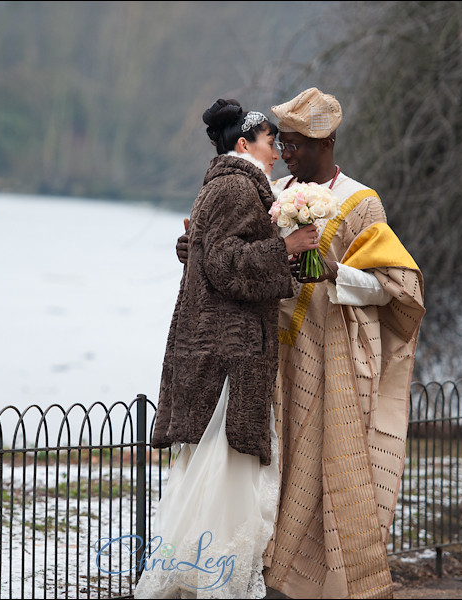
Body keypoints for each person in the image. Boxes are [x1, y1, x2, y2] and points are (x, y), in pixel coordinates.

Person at [176, 88, 426, 599]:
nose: (286, 153)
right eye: (282, 143)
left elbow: (395, 287)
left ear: (327, 141)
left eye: (296, 144)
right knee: (272, 474)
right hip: (268, 358)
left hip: (331, 359)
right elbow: (235, 256)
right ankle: (265, 580)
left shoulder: (361, 202)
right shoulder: (271, 188)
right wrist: (197, 249)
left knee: (323, 475)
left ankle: (321, 586)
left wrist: (337, 271)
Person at [134, 98, 321, 599]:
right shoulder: (239, 186)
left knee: (213, 470)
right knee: (225, 471)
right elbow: (223, 261)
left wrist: (196, 249)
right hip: (229, 357)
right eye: (269, 142)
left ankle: (201, 577)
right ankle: (216, 583)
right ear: (244, 145)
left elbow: (207, 252)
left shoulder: (224, 184)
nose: (278, 153)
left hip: (216, 351)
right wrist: (287, 247)